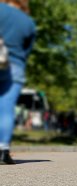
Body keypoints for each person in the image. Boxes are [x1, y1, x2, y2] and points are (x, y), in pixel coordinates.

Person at [0, 0, 35, 165]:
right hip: (16, 67)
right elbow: (27, 50)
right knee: (6, 109)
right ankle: (3, 152)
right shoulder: (28, 22)